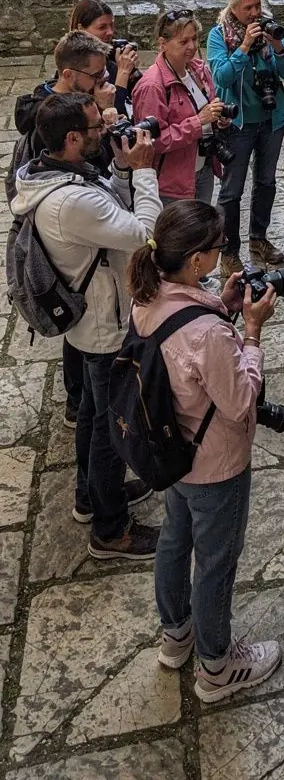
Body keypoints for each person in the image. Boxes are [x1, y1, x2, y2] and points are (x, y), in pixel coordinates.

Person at [129, 200, 283, 702]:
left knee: (175, 541)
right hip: (215, 464)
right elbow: (241, 401)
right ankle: (217, 667)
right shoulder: (209, 333)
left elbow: (184, 347)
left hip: (171, 453)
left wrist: (223, 303)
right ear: (196, 259)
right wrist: (252, 333)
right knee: (216, 562)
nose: (223, 255)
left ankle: (177, 636)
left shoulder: (148, 297)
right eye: (218, 249)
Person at [11, 91, 163, 559]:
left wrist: (118, 171)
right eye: (97, 127)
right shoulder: (70, 202)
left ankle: (90, 498)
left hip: (93, 321)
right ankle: (110, 529)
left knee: (95, 418)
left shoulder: (55, 172)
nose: (107, 129)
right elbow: (143, 237)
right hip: (103, 327)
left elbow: (109, 210)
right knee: (111, 430)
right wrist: (143, 170)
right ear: (73, 137)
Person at [9, 30, 118, 429]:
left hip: (75, 242)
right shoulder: (52, 129)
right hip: (76, 255)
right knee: (81, 328)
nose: (102, 81)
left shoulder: (62, 115)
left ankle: (81, 401)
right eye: (96, 75)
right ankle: (78, 402)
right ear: (71, 76)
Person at [207, 0, 284, 280]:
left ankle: (258, 237)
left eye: (257, 6)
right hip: (238, 122)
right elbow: (221, 76)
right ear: (233, 8)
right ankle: (229, 251)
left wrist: (279, 48)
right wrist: (244, 47)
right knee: (232, 191)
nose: (255, 13)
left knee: (267, 181)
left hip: (271, 119)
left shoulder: (269, 30)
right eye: (248, 8)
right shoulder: (218, 35)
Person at [133, 10, 226, 209]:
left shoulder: (197, 70)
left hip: (202, 168)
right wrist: (198, 122)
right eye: (183, 42)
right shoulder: (152, 86)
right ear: (162, 43)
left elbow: (206, 110)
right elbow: (152, 142)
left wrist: (218, 119)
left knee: (202, 232)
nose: (192, 47)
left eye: (194, 39)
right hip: (172, 182)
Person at [69, 0, 140, 117]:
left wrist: (132, 71)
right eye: (102, 27)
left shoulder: (110, 57)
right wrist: (123, 72)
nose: (110, 32)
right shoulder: (78, 71)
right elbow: (116, 113)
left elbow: (140, 92)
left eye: (111, 25)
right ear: (81, 29)